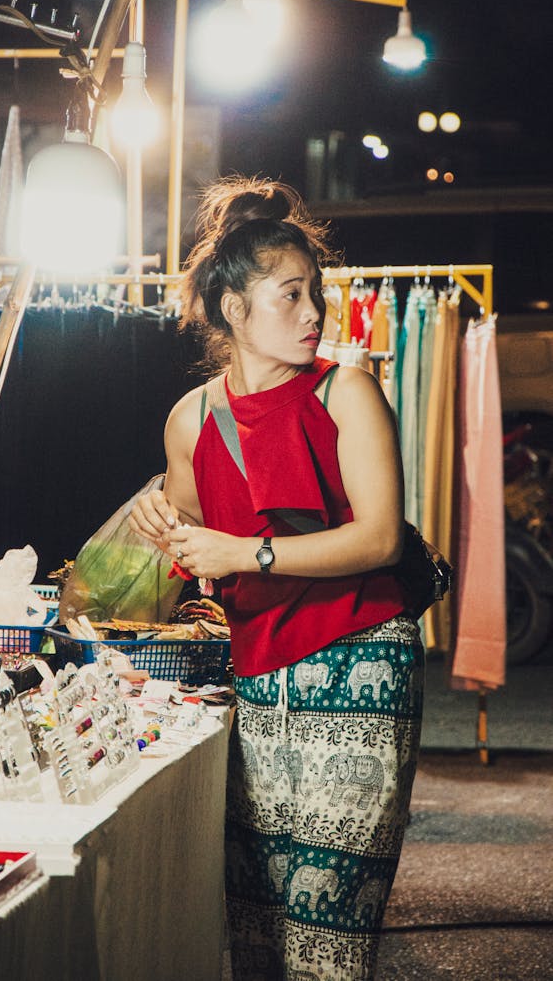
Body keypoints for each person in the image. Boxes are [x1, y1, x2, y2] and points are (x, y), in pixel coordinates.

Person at [128, 175, 424, 981]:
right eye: (290, 296)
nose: (312, 313)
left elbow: (379, 538)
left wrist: (243, 553)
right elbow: (192, 557)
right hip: (257, 682)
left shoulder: (345, 390)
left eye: (314, 294)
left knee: (329, 930)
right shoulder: (191, 419)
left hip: (359, 664)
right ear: (234, 310)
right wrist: (166, 541)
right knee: (255, 930)